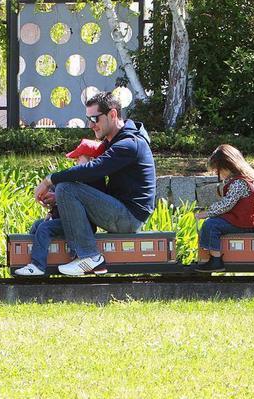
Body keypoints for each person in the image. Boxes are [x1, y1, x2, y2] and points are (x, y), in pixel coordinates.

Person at [33, 91, 156, 276]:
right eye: (88, 119)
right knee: (61, 194)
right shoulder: (114, 142)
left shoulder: (130, 144)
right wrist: (58, 197)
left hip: (129, 217)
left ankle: (90, 256)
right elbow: (95, 182)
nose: (91, 125)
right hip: (118, 209)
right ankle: (37, 265)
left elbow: (93, 170)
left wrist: (49, 180)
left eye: (94, 119)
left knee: (66, 187)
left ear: (112, 114)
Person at [14, 139, 106, 276]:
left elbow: (80, 205)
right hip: (68, 220)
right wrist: (51, 206)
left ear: (92, 160)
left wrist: (57, 198)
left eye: (78, 159)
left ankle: (38, 265)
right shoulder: (78, 179)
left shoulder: (93, 182)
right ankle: (29, 258)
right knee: (37, 225)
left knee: (45, 228)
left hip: (81, 225)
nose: (75, 163)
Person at [194, 145, 254, 273]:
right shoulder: (250, 178)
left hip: (244, 223)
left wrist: (207, 213)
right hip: (250, 221)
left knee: (211, 225)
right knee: (216, 222)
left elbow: (227, 204)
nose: (217, 174)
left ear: (228, 166)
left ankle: (215, 260)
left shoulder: (239, 183)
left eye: (218, 170)